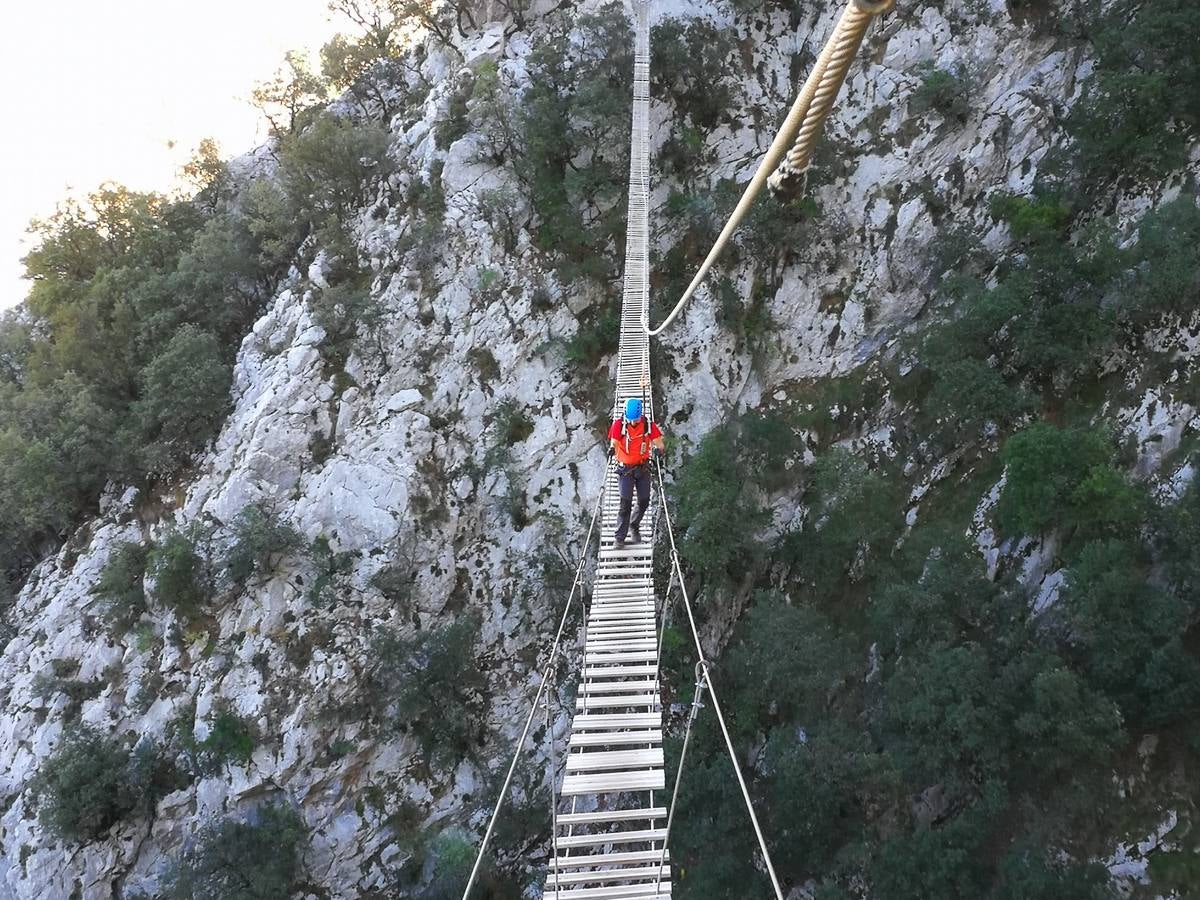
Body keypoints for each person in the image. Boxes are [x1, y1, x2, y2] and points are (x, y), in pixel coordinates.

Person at [608, 397, 665, 546]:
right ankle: (619, 538)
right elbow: (614, 442)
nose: (633, 422)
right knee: (624, 504)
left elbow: (659, 442)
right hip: (625, 469)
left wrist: (659, 450)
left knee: (644, 501)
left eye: (635, 420)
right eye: (630, 419)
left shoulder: (647, 426)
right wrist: (612, 449)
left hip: (642, 468)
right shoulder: (619, 425)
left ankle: (634, 524)